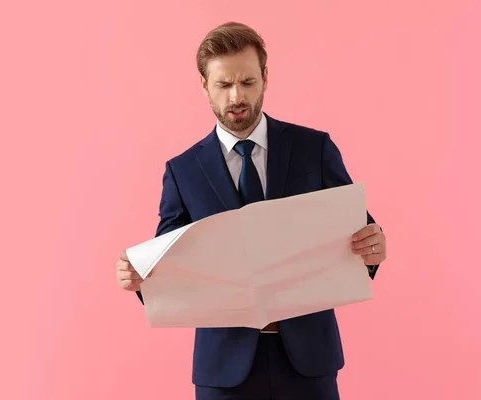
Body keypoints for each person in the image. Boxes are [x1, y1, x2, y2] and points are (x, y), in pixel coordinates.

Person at [116, 21, 387, 400]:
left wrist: (374, 247)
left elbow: (357, 231)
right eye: (223, 85)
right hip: (224, 368)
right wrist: (141, 278)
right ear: (203, 85)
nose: (236, 98)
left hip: (308, 361)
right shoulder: (182, 172)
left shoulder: (315, 149)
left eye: (247, 82)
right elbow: (169, 261)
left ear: (265, 77)